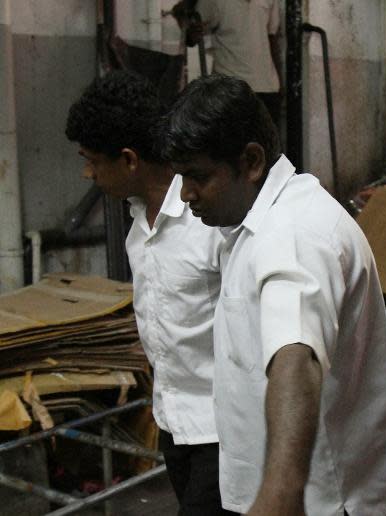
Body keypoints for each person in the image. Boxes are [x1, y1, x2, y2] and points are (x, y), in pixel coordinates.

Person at [160, 74, 386, 516]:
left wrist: (281, 493)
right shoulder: (253, 220)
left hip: (325, 501)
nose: (186, 194)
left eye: (198, 176)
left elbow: (296, 357)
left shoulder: (294, 234)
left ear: (251, 162)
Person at [65, 71, 230, 515]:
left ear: (129, 160)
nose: (87, 173)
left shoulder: (210, 219)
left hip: (226, 429)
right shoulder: (139, 225)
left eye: (91, 160)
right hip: (174, 424)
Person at [176, 0, 282, 125]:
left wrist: (280, 81)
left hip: (266, 87)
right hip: (229, 88)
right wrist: (189, 29)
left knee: (266, 142)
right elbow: (192, 32)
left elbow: (272, 37)